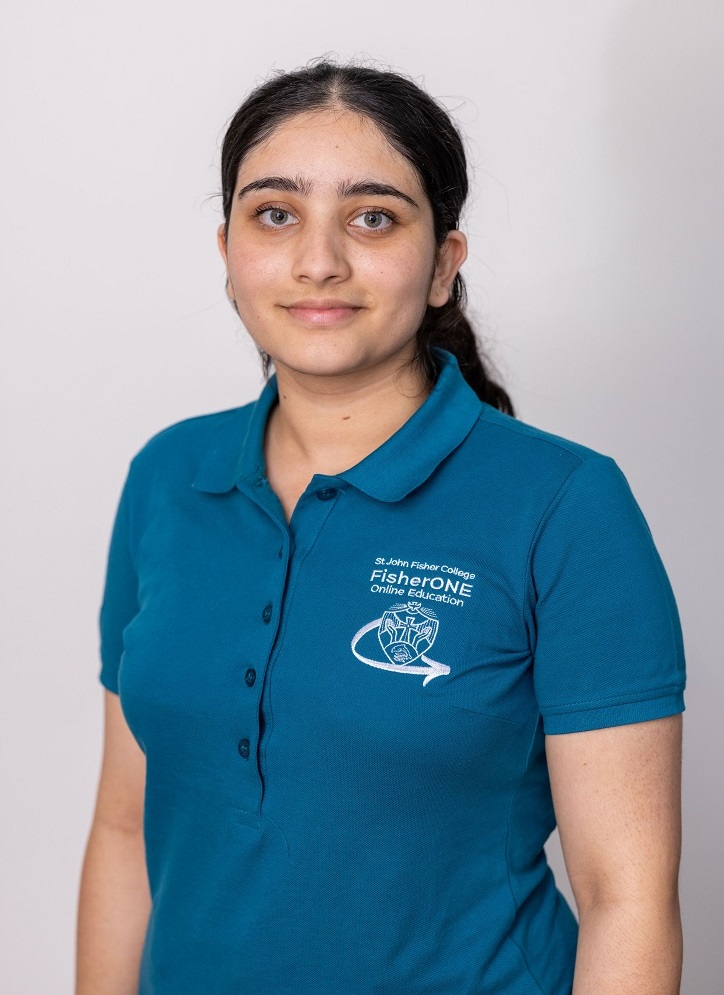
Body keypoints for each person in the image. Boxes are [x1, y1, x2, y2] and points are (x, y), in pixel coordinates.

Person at [76, 60, 685, 995]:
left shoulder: (565, 504)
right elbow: (124, 827)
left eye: (373, 217)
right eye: (275, 213)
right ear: (228, 247)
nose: (318, 260)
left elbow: (626, 896)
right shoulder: (168, 477)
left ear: (444, 262)